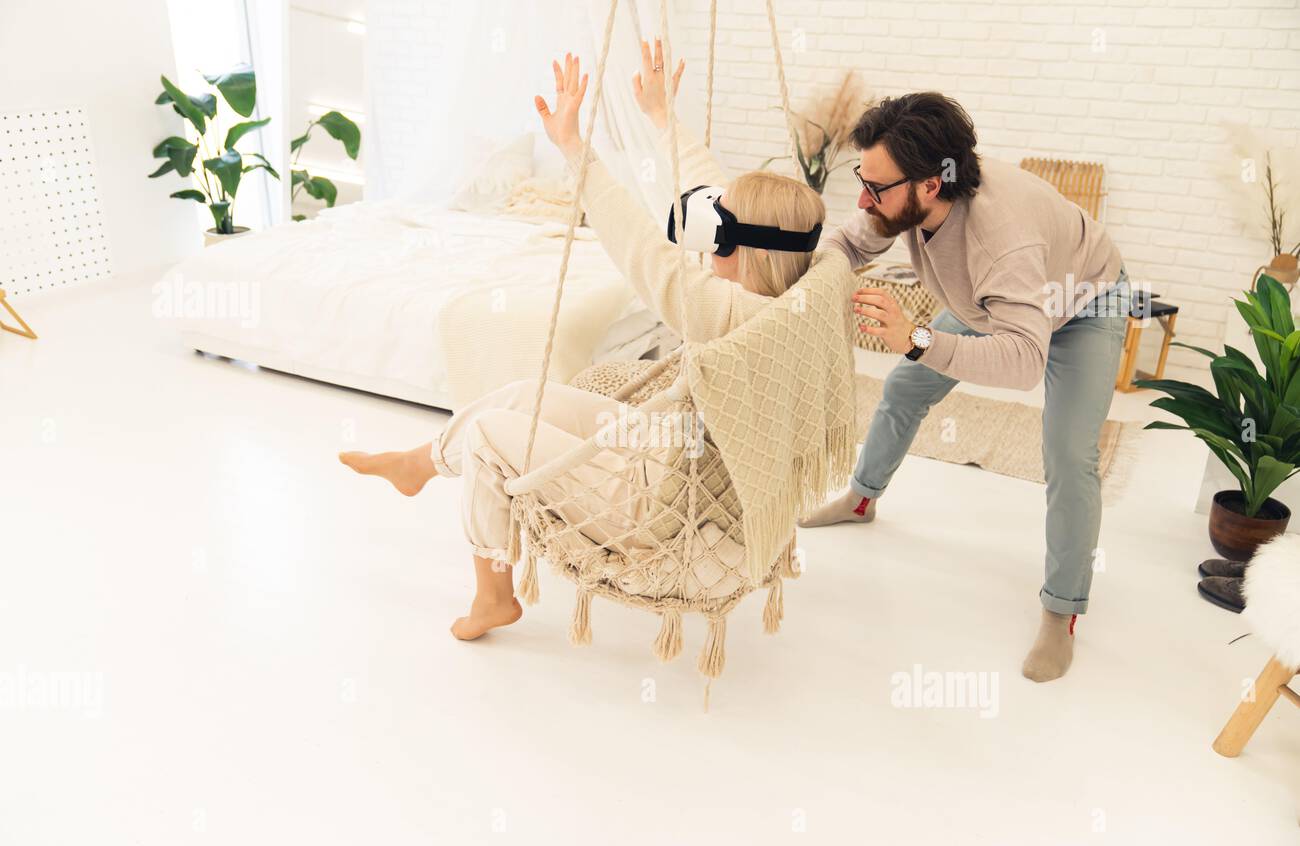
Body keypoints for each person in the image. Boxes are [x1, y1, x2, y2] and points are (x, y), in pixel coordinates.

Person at [340, 42, 827, 640]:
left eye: (719, 232)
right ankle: (419, 464)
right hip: (667, 446)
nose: (707, 239)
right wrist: (662, 118)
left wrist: (574, 147)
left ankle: (493, 595)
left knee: (494, 436)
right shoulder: (796, 298)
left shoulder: (727, 311)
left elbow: (639, 247)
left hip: (658, 500)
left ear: (741, 248)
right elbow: (714, 188)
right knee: (524, 396)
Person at [800, 91, 1131, 683]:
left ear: (929, 185)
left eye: (876, 187)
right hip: (995, 303)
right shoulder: (906, 197)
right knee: (906, 388)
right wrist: (816, 288)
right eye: (862, 179)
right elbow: (846, 244)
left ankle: (1061, 612)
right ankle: (861, 498)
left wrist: (917, 339)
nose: (863, 198)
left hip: (1083, 303)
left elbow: (1024, 360)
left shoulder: (1001, 239)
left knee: (1069, 454)